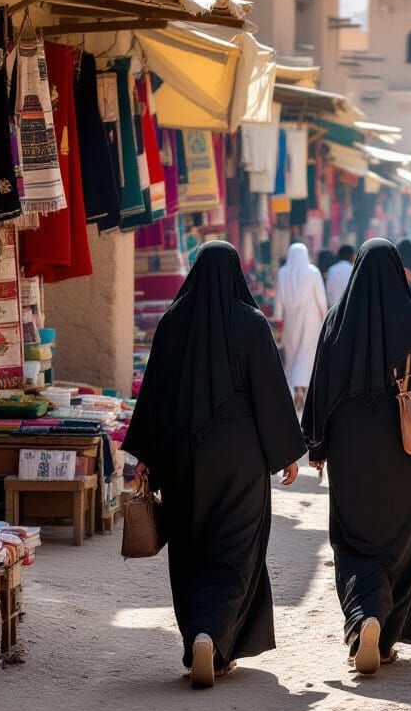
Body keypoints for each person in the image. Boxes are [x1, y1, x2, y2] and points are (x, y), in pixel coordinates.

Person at [122, 241, 305, 688]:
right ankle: (214, 635)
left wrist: (146, 455)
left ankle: (201, 638)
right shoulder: (252, 325)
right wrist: (285, 453)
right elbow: (269, 392)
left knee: (190, 547)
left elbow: (156, 395)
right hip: (241, 458)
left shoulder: (171, 324)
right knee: (236, 549)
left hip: (182, 458)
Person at [302, 239, 411, 675]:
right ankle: (384, 636)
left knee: (351, 538)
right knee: (403, 538)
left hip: (350, 444)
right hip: (403, 444)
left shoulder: (336, 320)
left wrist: (317, 444)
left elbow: (320, 387)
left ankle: (364, 613)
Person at [275, 242, 328, 409]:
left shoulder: (282, 273)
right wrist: (325, 317)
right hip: (310, 318)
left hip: (291, 319)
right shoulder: (313, 272)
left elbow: (278, 299)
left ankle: (295, 387)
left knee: (292, 352)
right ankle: (302, 386)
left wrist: (278, 318)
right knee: (306, 352)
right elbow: (321, 299)